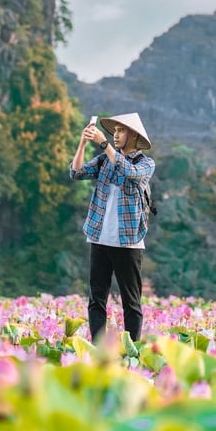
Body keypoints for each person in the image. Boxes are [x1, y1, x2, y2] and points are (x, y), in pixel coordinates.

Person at [70, 112, 155, 343]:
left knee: (131, 301)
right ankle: (98, 349)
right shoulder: (104, 160)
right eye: (114, 131)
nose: (115, 135)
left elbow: (129, 171)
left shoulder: (146, 164)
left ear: (133, 135)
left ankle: (133, 350)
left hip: (128, 242)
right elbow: (76, 172)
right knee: (96, 298)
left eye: (121, 131)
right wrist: (83, 142)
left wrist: (104, 143)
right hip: (99, 238)